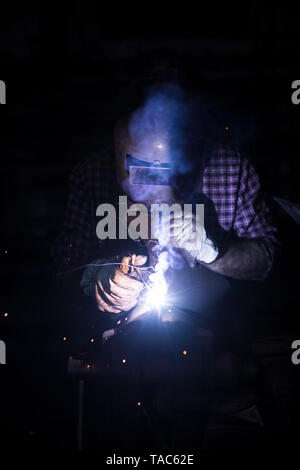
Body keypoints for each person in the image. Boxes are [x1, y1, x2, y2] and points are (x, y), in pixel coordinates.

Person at [52, 63, 278, 319]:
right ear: (117, 159)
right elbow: (64, 265)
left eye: (172, 174)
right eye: (143, 174)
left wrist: (211, 252)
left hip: (215, 327)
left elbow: (265, 263)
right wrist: (96, 278)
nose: (157, 196)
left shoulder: (230, 170)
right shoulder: (92, 174)